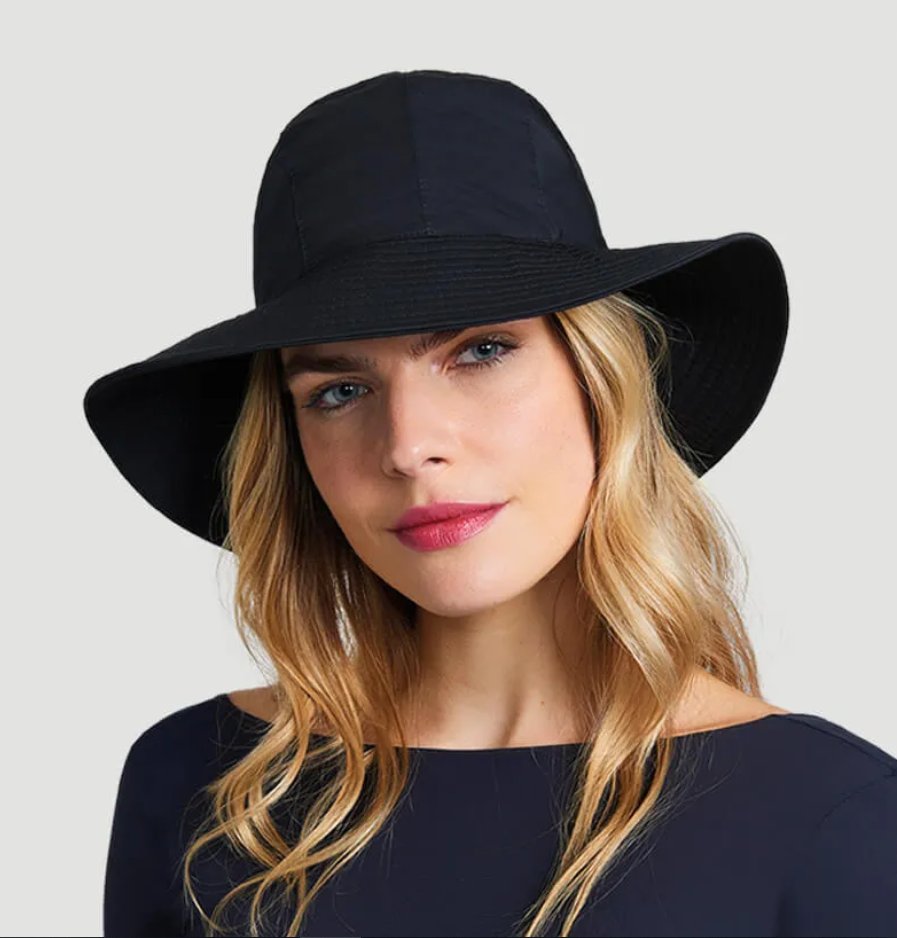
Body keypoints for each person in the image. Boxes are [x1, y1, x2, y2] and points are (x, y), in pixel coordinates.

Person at [86, 69, 897, 937]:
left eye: (480, 352)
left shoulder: (830, 817)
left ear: (601, 383)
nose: (408, 446)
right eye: (338, 391)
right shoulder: (203, 788)